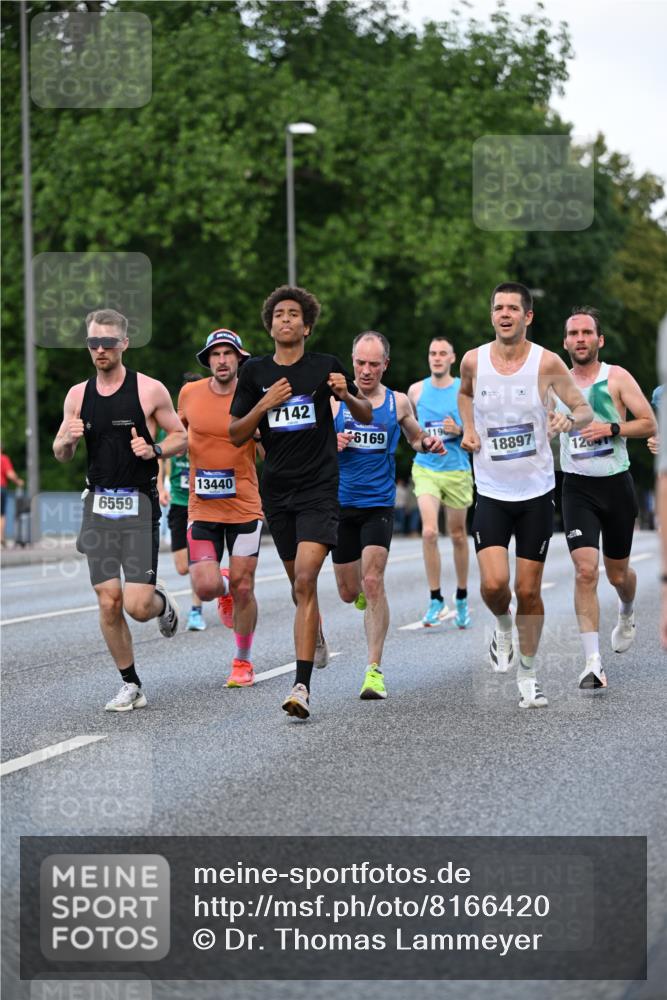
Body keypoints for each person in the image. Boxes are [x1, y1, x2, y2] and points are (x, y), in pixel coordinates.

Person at [229, 285, 372, 719]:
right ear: (270, 325)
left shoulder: (324, 367)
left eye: (294, 314)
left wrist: (346, 394)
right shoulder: (254, 372)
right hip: (278, 492)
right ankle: (315, 631)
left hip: (319, 488)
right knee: (298, 586)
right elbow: (236, 433)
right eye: (279, 314)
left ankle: (301, 686)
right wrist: (265, 405)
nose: (286, 320)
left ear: (306, 326)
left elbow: (365, 413)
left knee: (307, 579)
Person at [459, 282, 592, 710]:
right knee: (496, 585)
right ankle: (502, 626)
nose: (504, 314)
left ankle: (529, 676)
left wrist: (566, 420)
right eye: (498, 307)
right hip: (493, 490)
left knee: (528, 591)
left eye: (513, 309)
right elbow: (464, 394)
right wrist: (469, 428)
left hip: (535, 491)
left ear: (527, 317)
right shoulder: (474, 360)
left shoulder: (547, 362)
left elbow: (583, 408)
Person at [53, 309, 187, 712]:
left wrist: (155, 449)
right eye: (93, 343)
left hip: (139, 505)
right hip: (98, 504)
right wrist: (65, 440)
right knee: (109, 600)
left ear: (124, 344)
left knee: (137, 606)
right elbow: (61, 454)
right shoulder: (78, 395)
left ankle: (161, 602)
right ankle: (131, 685)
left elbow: (181, 436)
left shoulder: (149, 390)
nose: (100, 350)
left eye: (108, 343)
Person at [332, 331, 444, 699]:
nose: (366, 371)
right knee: (349, 592)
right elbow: (310, 449)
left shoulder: (397, 403)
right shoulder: (334, 404)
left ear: (385, 365)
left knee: (374, 580)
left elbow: (414, 438)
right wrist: (329, 444)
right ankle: (361, 593)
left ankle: (373, 670)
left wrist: (428, 442)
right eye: (360, 363)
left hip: (378, 505)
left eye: (373, 364)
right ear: (352, 362)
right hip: (340, 505)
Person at [557, 308, 657, 689]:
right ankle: (593, 663)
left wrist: (612, 427)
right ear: (565, 342)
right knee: (585, 570)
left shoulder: (616, 377)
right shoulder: (555, 382)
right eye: (573, 333)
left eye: (586, 333)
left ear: (599, 340)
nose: (580, 339)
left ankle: (627, 609)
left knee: (617, 575)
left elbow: (648, 422)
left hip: (616, 485)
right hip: (577, 487)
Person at [179, 329, 263, 688]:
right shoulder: (189, 394)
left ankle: (242, 662)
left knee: (246, 589)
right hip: (202, 506)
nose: (222, 360)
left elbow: (268, 450)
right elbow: (178, 434)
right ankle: (223, 585)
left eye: (229, 353)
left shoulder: (253, 396)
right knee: (206, 584)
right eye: (216, 354)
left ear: (239, 360)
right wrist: (154, 454)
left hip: (244, 506)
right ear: (207, 360)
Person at [408, 337, 473, 629]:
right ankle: (435, 598)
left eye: (442, 353)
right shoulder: (416, 391)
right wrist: (423, 442)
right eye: (432, 353)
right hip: (427, 469)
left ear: (452, 358)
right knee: (430, 532)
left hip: (457, 469)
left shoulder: (463, 389)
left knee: (458, 535)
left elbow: (477, 434)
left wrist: (458, 429)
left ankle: (461, 597)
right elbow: (410, 434)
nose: (436, 358)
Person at [157, 373, 207, 632]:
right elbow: (161, 455)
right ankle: (213, 576)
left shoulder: (206, 423)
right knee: (182, 567)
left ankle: (196, 612)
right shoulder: (174, 426)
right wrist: (160, 486)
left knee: (198, 564)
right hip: (177, 501)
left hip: (202, 504)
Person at [0, 445, 24, 546]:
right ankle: (1, 537)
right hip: (1, 488)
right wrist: (18, 481)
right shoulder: (3, 459)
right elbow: (10, 474)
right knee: (1, 514)